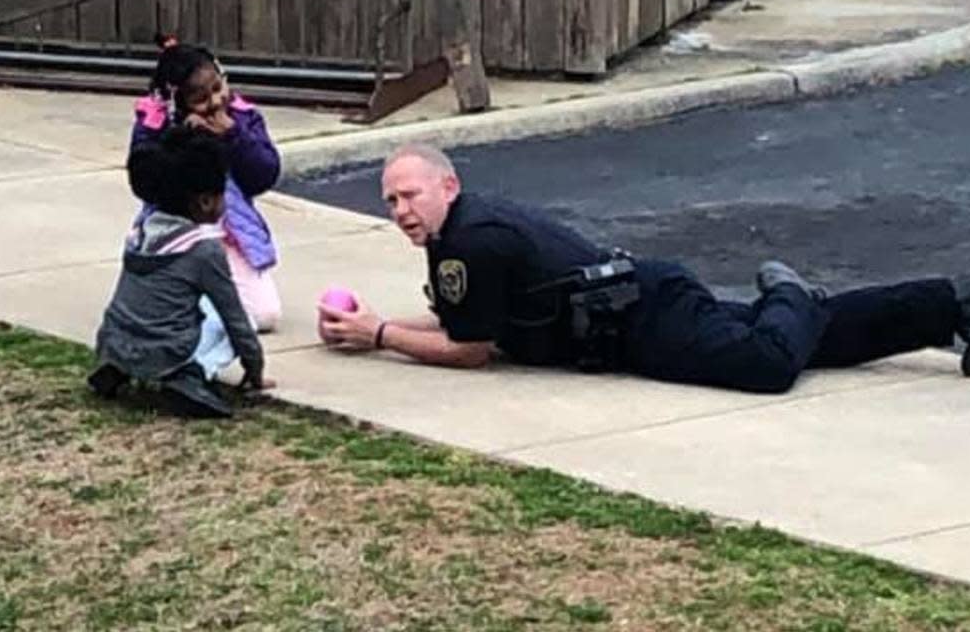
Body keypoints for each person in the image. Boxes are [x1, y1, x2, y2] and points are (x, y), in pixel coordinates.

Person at [318, 143, 970, 393]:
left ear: (449, 186)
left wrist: (375, 335)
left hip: (645, 319)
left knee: (770, 365)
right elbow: (461, 319)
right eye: (391, 201)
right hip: (633, 310)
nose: (400, 209)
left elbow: (469, 349)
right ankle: (950, 306)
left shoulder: (470, 240)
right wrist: (378, 325)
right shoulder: (456, 234)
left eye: (410, 195)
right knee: (822, 338)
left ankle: (789, 288)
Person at [90, 126, 274, 418]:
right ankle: (190, 375)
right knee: (242, 320)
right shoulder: (204, 251)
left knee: (161, 302)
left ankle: (116, 368)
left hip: (115, 340)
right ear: (205, 201)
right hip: (166, 351)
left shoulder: (140, 233)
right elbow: (234, 318)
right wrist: (255, 369)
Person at [130, 33, 282, 332]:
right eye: (201, 98)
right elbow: (145, 182)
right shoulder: (155, 126)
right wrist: (184, 141)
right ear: (177, 102)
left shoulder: (242, 117)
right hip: (177, 231)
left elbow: (264, 175)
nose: (215, 102)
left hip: (229, 231)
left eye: (218, 88)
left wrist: (234, 137)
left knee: (265, 316)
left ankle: (208, 302)